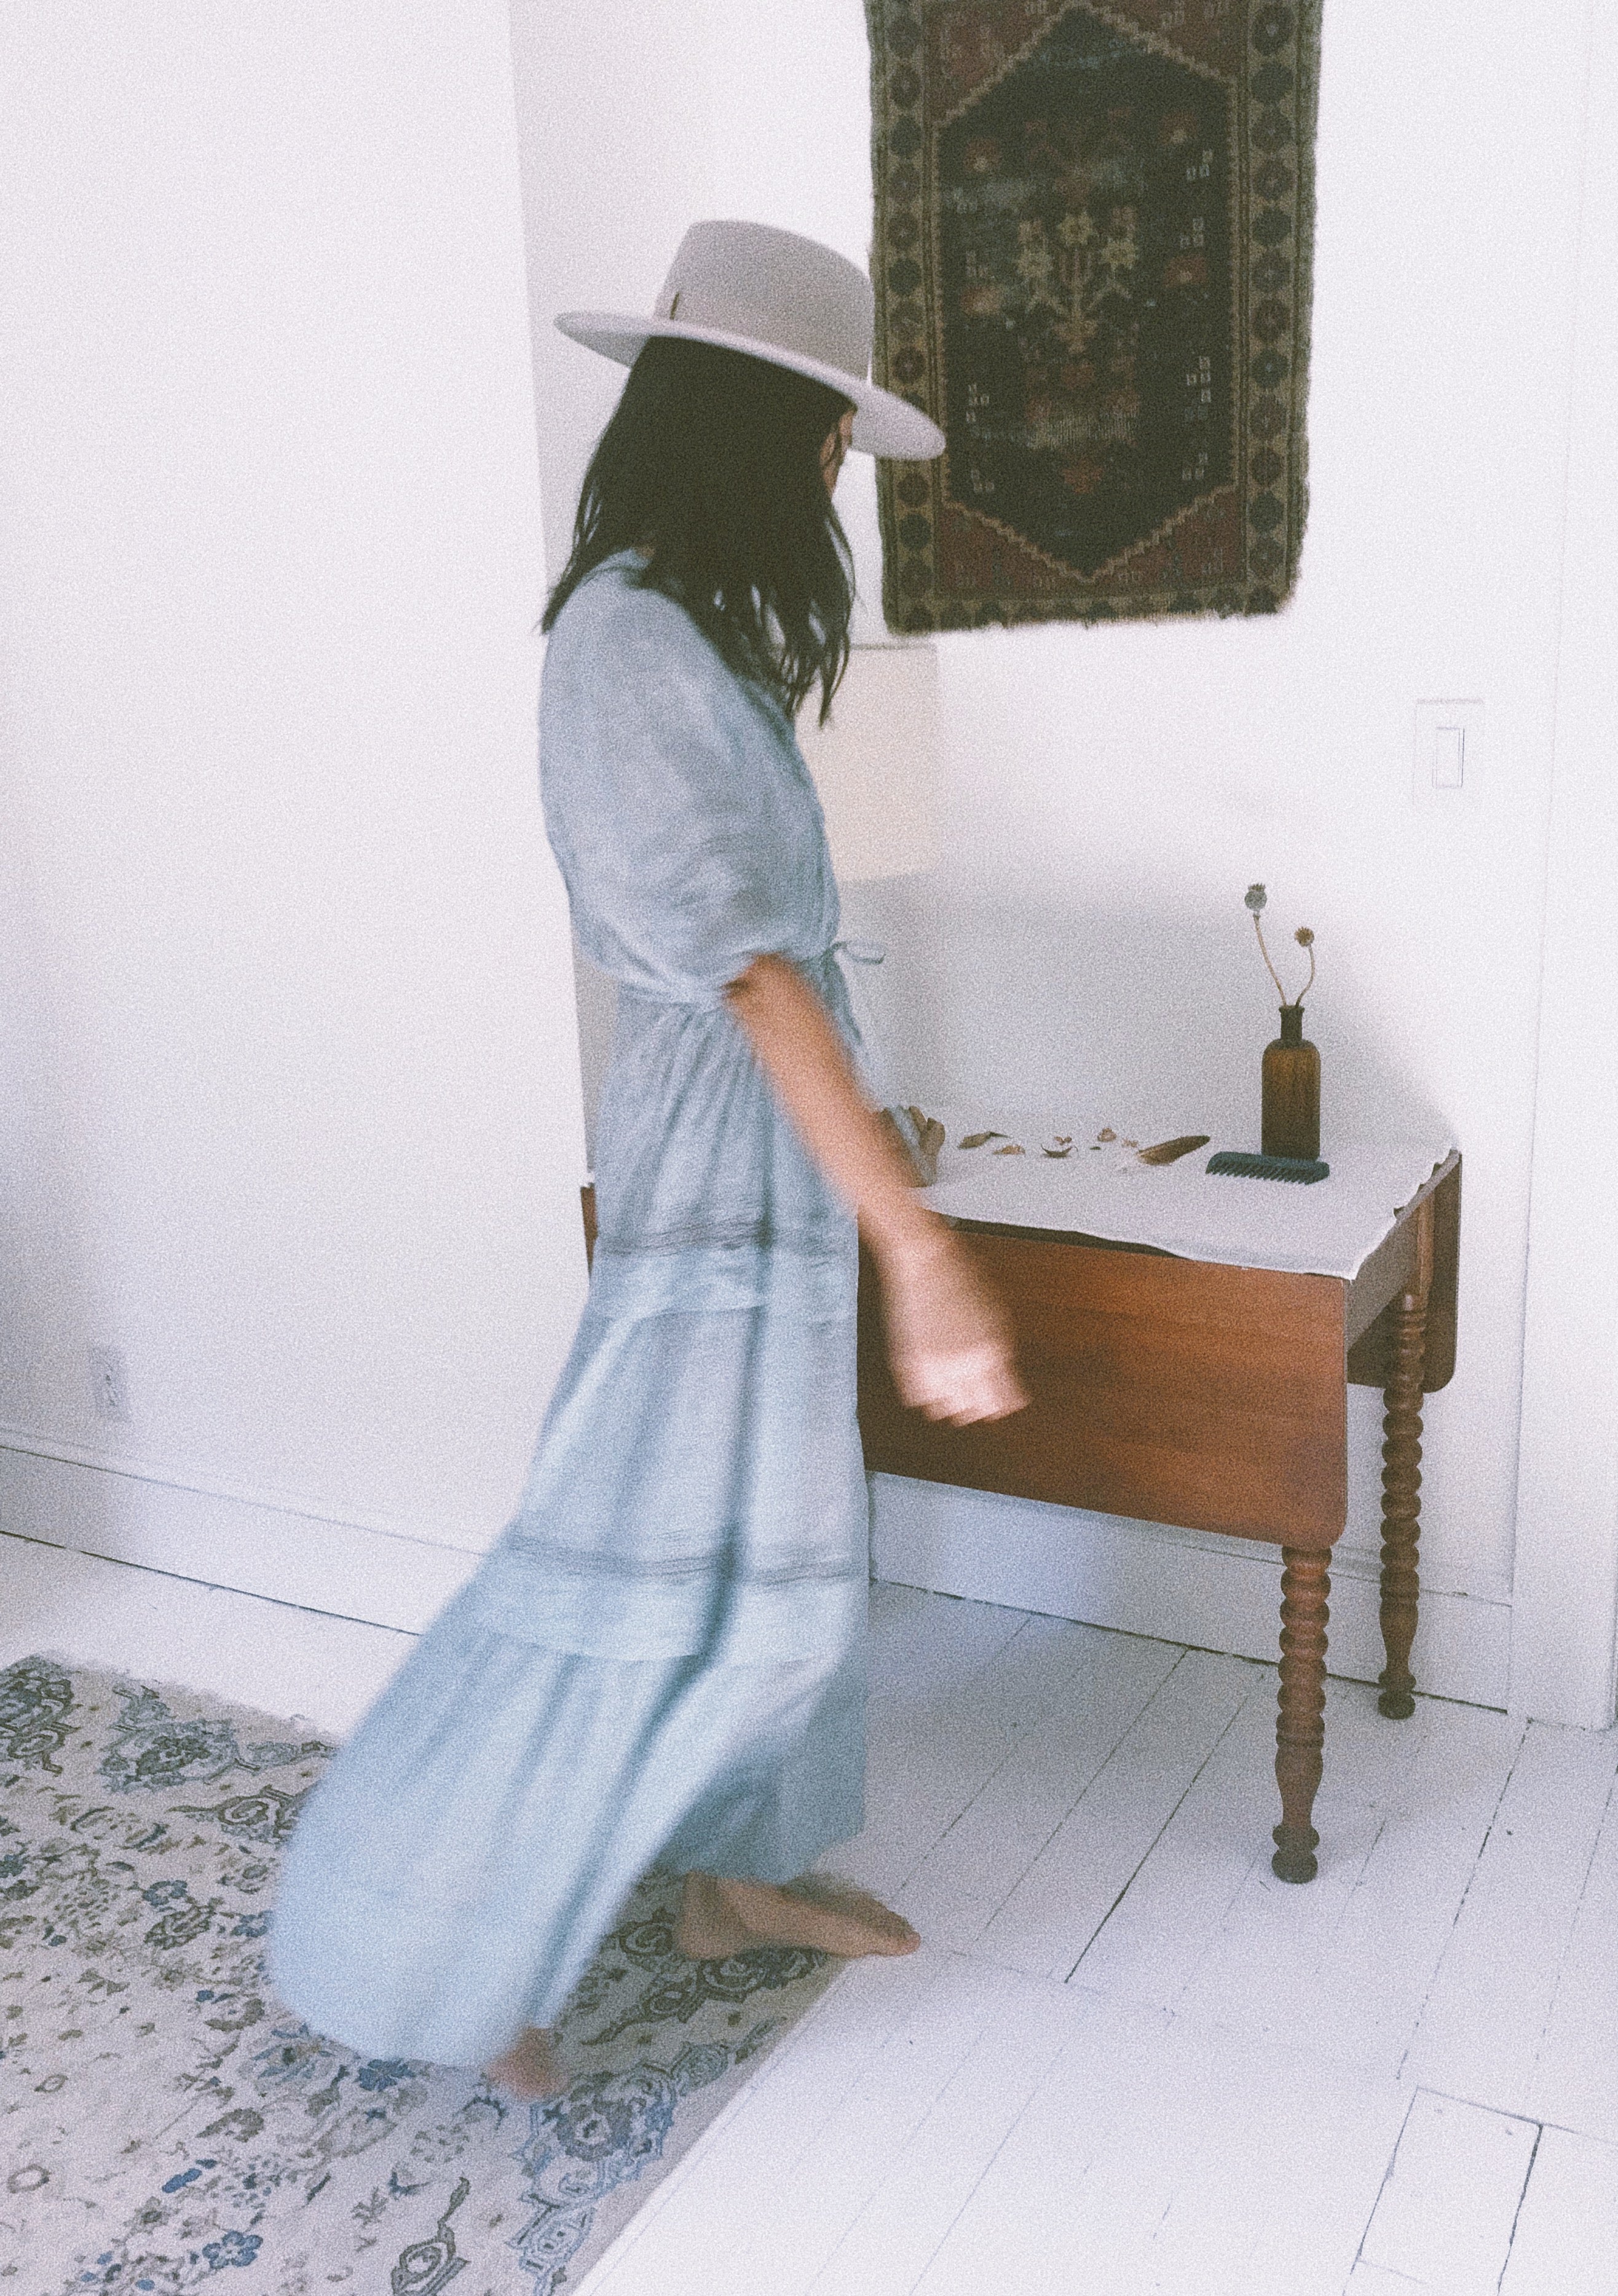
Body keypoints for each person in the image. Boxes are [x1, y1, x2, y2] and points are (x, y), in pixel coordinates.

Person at [267, 221, 1026, 2101]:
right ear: (757, 428)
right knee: (628, 1580)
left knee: (770, 1573)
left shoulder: (690, 635)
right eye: (829, 440)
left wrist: (877, 1139)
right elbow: (750, 973)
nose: (838, 476)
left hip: (766, 1165)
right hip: (713, 1166)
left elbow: (787, 961)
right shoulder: (618, 641)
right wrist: (921, 1248)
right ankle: (444, 1944)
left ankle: (720, 1884)